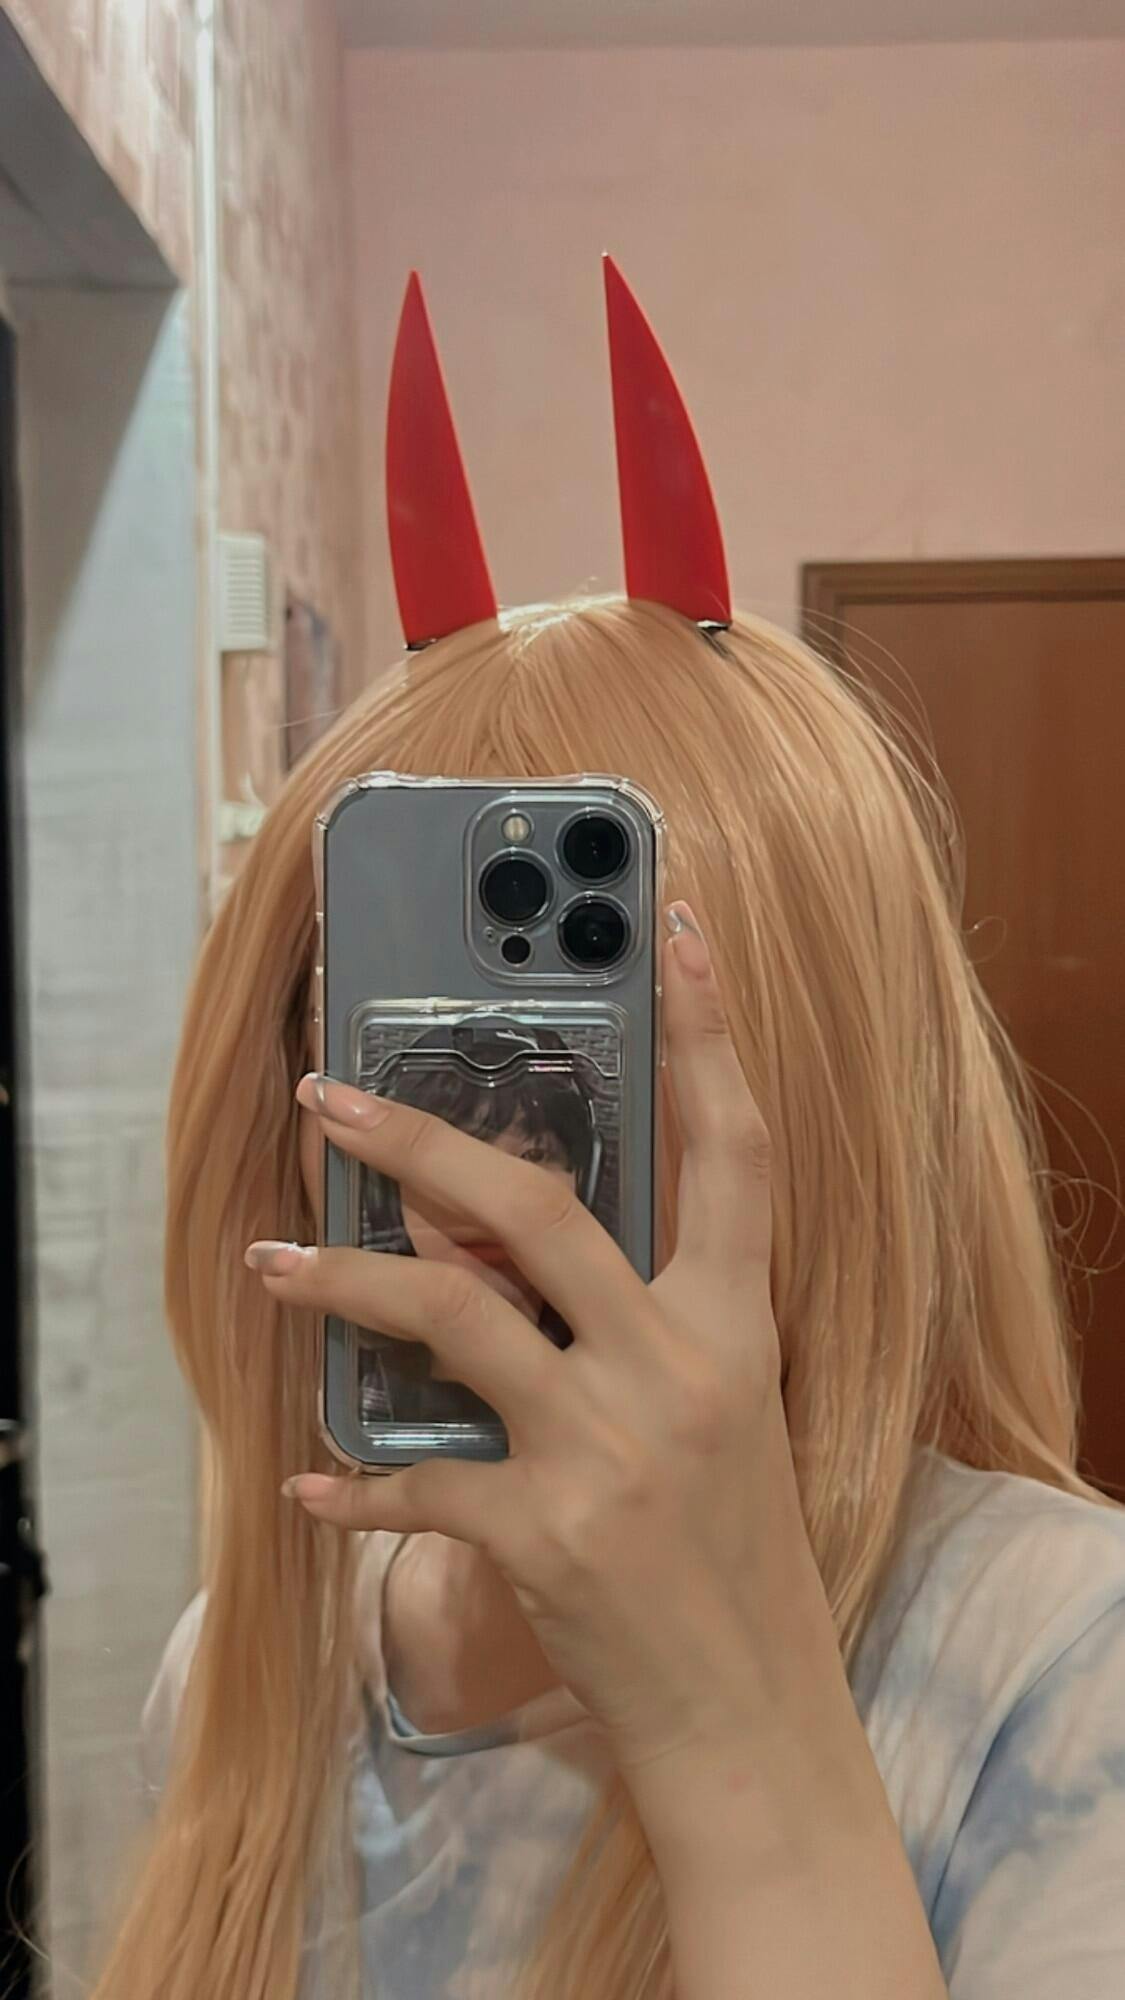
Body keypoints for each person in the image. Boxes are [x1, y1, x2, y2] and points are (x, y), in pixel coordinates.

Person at [94, 265, 1125, 2000]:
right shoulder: (242, 1683)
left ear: (814, 1092)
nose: (486, 1167)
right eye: (417, 1051)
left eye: (584, 1056)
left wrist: (726, 1715)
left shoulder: (1066, 1669)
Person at [357, 1018, 602, 1421]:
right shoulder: (353, 1395)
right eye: (456, 1158)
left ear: (585, 1184)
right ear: (385, 1193)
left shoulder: (626, 1384)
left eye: (534, 1155)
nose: (494, 1201)